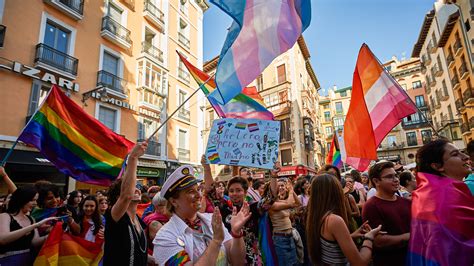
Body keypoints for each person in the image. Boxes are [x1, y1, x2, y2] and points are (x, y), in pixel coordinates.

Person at [153, 165, 250, 265]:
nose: (199, 195)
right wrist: (216, 241)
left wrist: (236, 233)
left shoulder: (212, 220)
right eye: (191, 191)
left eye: (198, 189)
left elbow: (237, 262)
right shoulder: (165, 237)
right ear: (174, 201)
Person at [407, 139, 474, 265]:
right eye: (455, 154)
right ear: (437, 166)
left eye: (461, 152)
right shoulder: (444, 195)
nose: (465, 157)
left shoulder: (429, 193)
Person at [306, 174, 382, 265]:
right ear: (335, 192)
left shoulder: (316, 216)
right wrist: (369, 238)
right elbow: (359, 262)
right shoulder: (334, 220)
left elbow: (330, 245)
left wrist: (351, 235)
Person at [103, 141, 154, 266]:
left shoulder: (139, 220)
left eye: (136, 187)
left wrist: (149, 259)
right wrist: (133, 158)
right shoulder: (115, 215)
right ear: (117, 197)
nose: (136, 189)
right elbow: (126, 196)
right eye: (131, 187)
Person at [362, 161, 411, 266]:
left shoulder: (406, 202)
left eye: (395, 175)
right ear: (376, 181)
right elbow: (379, 241)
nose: (396, 180)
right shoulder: (371, 206)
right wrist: (409, 236)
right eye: (389, 177)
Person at [0, 186, 58, 264]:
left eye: (36, 200)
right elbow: (3, 239)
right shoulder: (5, 216)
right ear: (23, 199)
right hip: (8, 260)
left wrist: (52, 233)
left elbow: (34, 242)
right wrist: (35, 226)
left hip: (27, 260)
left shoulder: (31, 219)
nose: (35, 203)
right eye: (33, 200)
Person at [269, 173, 301, 266]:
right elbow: (291, 204)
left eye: (282, 186)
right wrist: (290, 191)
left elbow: (297, 203)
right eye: (278, 186)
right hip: (280, 239)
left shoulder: (282, 201)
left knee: (294, 263)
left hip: (289, 236)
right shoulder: (272, 204)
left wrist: (291, 189)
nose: (280, 188)